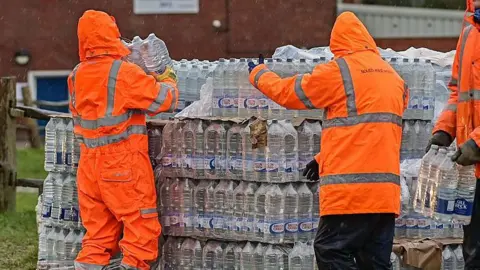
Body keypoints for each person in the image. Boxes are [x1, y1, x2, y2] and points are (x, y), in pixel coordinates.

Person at [248, 11, 408, 269]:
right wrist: (322, 158)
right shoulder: (394, 77)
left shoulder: (341, 70)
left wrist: (258, 74)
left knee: (330, 250)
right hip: (385, 195)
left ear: (338, 43)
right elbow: (370, 129)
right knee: (374, 263)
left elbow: (291, 93)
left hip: (352, 193)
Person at [69, 10, 178, 270]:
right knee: (141, 228)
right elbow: (166, 100)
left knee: (97, 235)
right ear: (112, 35)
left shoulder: (77, 74)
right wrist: (165, 74)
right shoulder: (124, 73)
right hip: (122, 165)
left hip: (88, 168)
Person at [427, 1, 480, 268]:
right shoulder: (471, 29)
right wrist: (445, 129)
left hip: (476, 152)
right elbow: (457, 90)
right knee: (474, 251)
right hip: (474, 169)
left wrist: (478, 143)